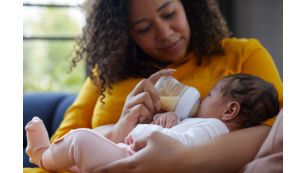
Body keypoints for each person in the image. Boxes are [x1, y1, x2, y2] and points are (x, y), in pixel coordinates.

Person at [23, 0, 283, 172]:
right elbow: (60, 143)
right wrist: (119, 129)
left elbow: (277, 132)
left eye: (169, 13)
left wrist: (180, 160)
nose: (165, 32)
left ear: (188, 6)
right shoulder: (106, 74)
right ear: (127, 33)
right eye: (144, 28)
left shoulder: (243, 54)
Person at [25, 73, 279, 173]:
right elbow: (180, 138)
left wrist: (151, 128)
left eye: (211, 94)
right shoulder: (203, 125)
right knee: (82, 152)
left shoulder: (215, 128)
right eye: (143, 28)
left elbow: (174, 148)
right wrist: (169, 121)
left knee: (79, 140)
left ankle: (43, 155)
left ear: (230, 110)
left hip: (134, 160)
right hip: (125, 153)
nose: (202, 97)